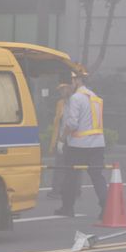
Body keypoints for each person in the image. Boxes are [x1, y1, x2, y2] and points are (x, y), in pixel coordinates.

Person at [55, 69, 108, 218]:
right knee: (97, 176)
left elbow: (72, 123)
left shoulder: (76, 98)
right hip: (98, 144)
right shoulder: (95, 97)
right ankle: (106, 208)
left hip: (78, 145)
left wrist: (61, 139)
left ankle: (67, 208)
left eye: (71, 81)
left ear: (77, 80)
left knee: (70, 176)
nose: (70, 84)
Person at [47, 82, 74, 199]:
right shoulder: (61, 103)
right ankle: (58, 190)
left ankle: (65, 190)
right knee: (60, 164)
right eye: (60, 90)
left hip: (72, 139)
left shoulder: (75, 103)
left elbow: (72, 123)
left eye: (64, 89)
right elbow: (59, 123)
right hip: (63, 138)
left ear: (70, 88)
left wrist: (62, 140)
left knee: (70, 166)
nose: (61, 92)